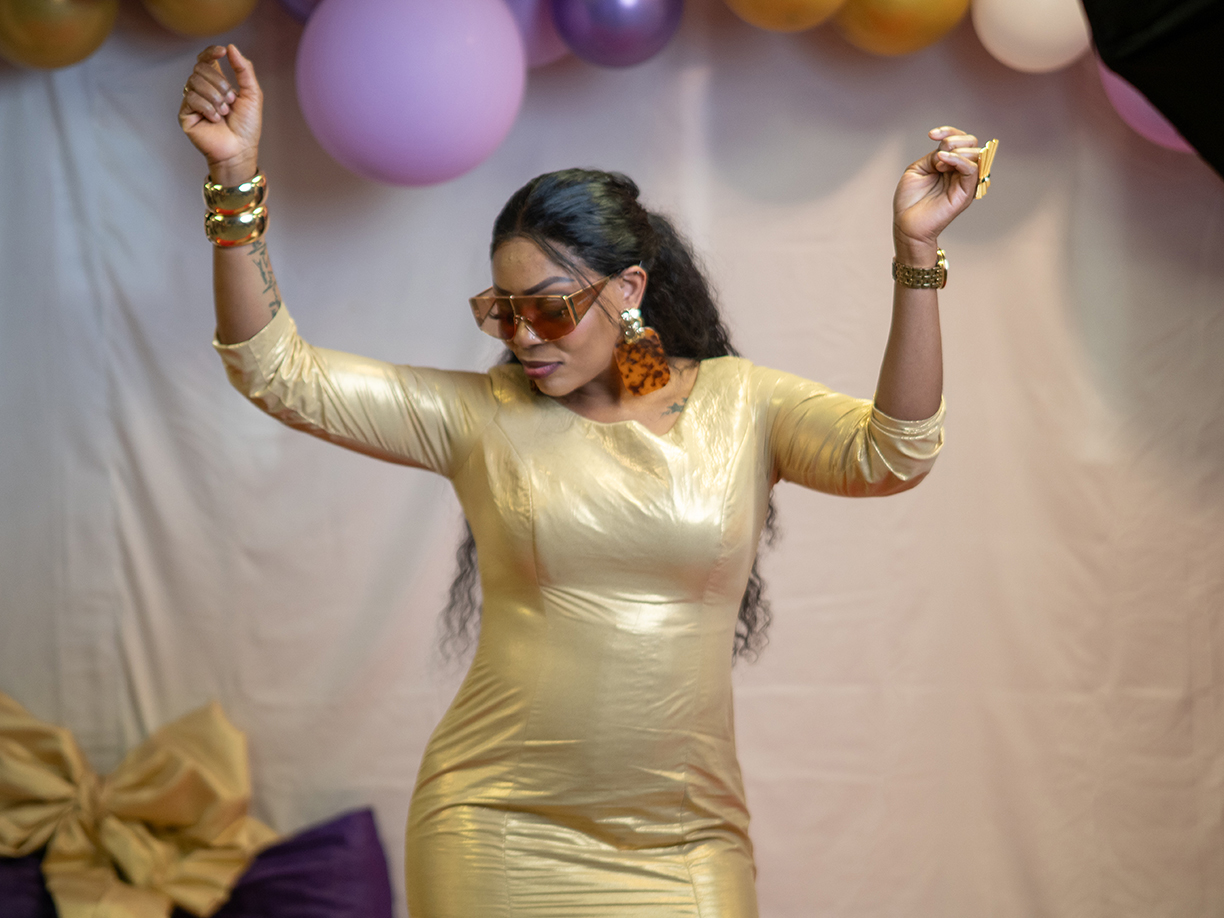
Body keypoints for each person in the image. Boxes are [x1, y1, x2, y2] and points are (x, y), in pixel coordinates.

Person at [180, 43, 983, 918]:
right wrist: (234, 180)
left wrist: (916, 252)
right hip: (494, 827)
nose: (525, 336)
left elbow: (895, 453)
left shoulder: (743, 405)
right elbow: (276, 371)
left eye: (552, 308)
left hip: (685, 842)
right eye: (504, 312)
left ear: (628, 289)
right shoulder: (482, 416)